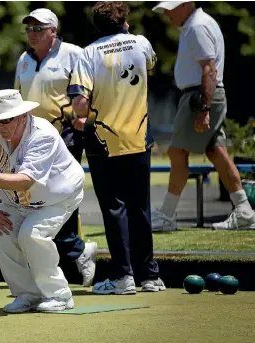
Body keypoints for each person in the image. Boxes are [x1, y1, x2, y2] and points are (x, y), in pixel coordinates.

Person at [67, 1, 165, 295]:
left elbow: (80, 103)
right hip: (138, 138)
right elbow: (150, 66)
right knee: (140, 208)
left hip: (103, 142)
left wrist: (79, 117)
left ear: (97, 25)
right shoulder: (141, 43)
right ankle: (150, 277)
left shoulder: (89, 52)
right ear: (124, 21)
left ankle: (124, 277)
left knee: (114, 210)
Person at [0, 89, 85, 313]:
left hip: (58, 196)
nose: (1, 126)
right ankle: (27, 294)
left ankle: (60, 295)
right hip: (17, 200)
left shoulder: (42, 134)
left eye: (6, 120)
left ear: (21, 116)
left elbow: (25, 181)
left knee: (32, 234)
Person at [151, 1, 255, 231]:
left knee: (176, 151)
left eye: (170, 8)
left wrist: (204, 109)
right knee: (216, 151)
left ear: (186, 5)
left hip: (198, 97)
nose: (167, 14)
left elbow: (209, 69)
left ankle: (167, 215)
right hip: (203, 96)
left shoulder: (196, 26)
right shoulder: (199, 23)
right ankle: (245, 212)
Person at [14, 8, 97, 287]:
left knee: (61, 195)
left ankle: (73, 251)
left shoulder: (73, 53)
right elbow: (16, 99)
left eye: (38, 29)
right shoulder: (23, 60)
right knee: (38, 197)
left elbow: (89, 90)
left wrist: (84, 117)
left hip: (64, 136)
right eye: (29, 29)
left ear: (53, 31)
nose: (32, 34)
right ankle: (74, 251)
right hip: (31, 139)